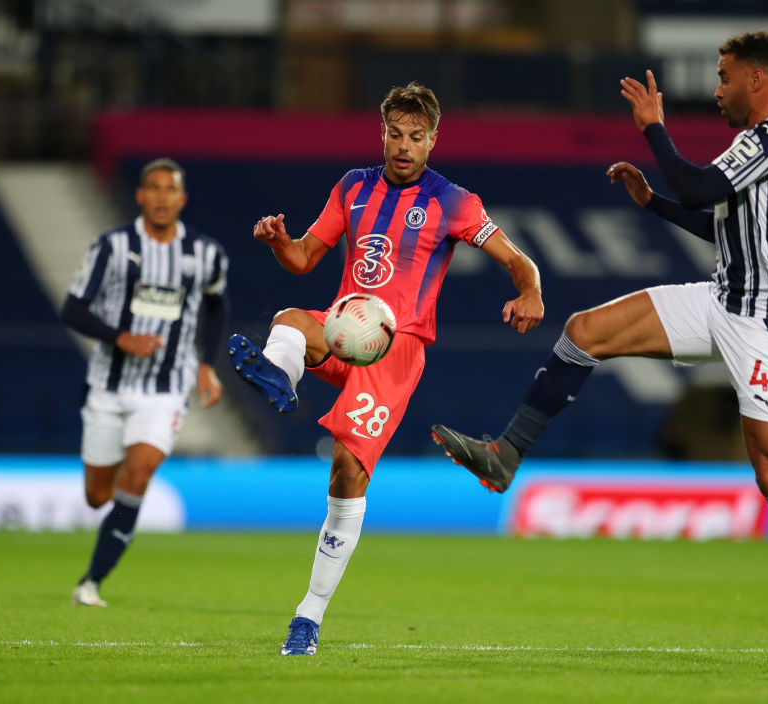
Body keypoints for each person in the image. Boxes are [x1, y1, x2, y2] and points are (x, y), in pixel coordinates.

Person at [431, 31, 768, 672]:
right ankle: (506, 455)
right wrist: (653, 202)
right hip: (722, 300)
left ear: (757, 79)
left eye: (725, 76)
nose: (717, 87)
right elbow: (714, 217)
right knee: (586, 330)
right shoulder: (759, 142)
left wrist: (654, 129)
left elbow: (703, 189)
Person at [228, 82, 543, 656]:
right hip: (347, 326)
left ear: (432, 140)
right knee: (290, 319)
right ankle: (280, 376)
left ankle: (309, 616)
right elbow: (303, 257)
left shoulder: (454, 202)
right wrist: (278, 242)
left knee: (348, 471)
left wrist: (530, 291)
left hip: (397, 350)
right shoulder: (352, 186)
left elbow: (516, 259)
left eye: (415, 137)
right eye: (395, 134)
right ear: (383, 133)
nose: (403, 146)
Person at [61, 158, 229, 607]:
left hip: (165, 389)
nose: (160, 196)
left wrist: (206, 365)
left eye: (169, 189)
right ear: (139, 196)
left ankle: (91, 582)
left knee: (139, 472)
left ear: (182, 198)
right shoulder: (112, 247)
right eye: (152, 188)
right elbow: (73, 308)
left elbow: (215, 306)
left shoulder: (206, 254)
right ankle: (115, 484)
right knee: (98, 495)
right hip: (109, 386)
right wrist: (121, 338)